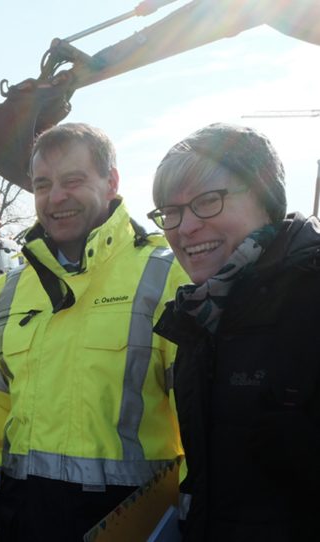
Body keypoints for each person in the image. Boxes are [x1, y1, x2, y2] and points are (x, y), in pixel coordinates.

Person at [0, 122, 188, 541]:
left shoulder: (167, 275)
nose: (56, 198)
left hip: (134, 525)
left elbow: (204, 425)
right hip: (24, 523)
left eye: (73, 180)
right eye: (43, 184)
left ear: (111, 182)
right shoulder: (5, 293)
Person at [149, 123, 320, 541]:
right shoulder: (206, 315)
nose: (184, 228)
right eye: (170, 211)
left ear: (265, 201)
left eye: (207, 201)